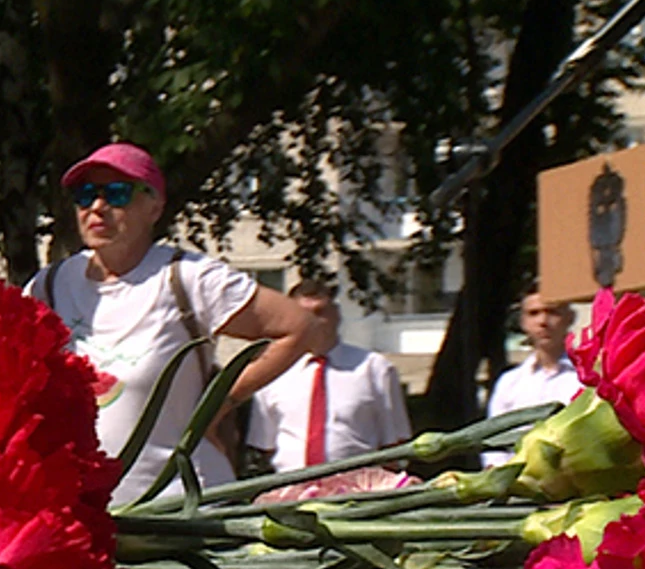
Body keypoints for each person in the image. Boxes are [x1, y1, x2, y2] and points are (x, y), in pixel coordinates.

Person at [28, 142, 327, 505]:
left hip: (182, 509)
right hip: (84, 510)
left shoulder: (187, 278)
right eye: (85, 194)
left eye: (118, 194)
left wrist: (221, 401)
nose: (97, 207)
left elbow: (299, 327)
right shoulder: (50, 285)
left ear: (155, 207)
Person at [245, 279, 412, 473]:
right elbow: (266, 446)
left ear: (337, 315)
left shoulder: (374, 368)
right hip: (291, 489)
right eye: (303, 314)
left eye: (320, 312)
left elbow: (393, 445)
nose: (313, 322)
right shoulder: (271, 371)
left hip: (357, 489)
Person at [482, 284, 582, 465]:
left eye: (553, 312)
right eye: (534, 313)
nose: (543, 321)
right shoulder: (509, 382)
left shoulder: (587, 379)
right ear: (523, 322)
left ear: (570, 318)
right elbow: (492, 440)